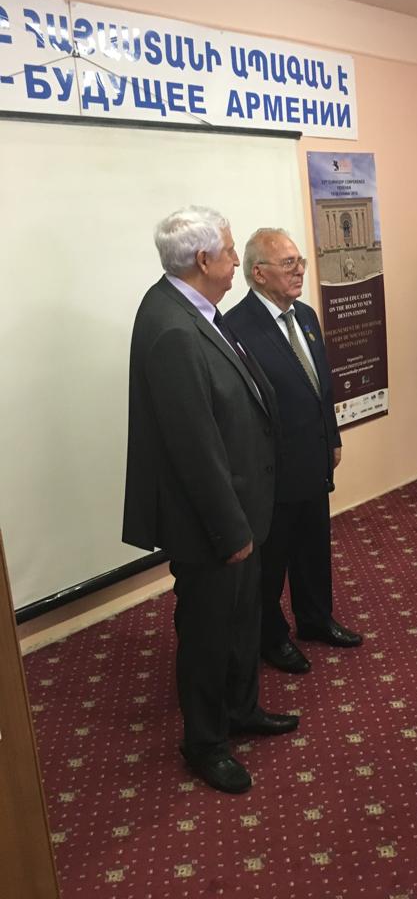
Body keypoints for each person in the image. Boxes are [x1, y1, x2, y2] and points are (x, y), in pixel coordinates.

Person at [122, 206, 298, 795]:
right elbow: (192, 449)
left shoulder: (196, 308)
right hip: (212, 523)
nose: (235, 263)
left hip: (241, 506)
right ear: (202, 260)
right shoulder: (172, 327)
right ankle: (204, 743)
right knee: (207, 634)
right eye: (227, 252)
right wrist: (232, 530)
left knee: (243, 620)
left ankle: (241, 710)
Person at [225, 228, 362, 675]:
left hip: (314, 457)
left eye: (299, 261)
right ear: (258, 273)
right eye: (288, 264)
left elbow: (321, 386)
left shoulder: (304, 314)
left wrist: (332, 437)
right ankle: (271, 637)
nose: (300, 270)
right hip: (272, 470)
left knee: (313, 547)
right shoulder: (236, 327)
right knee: (272, 560)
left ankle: (316, 619)